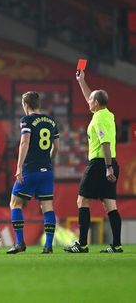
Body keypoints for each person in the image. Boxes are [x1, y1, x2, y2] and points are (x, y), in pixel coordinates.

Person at [64, 70, 122, 253]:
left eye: (91, 101)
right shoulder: (107, 114)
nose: (88, 101)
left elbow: (104, 142)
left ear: (96, 103)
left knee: (82, 201)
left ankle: (82, 244)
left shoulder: (97, 119)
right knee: (110, 205)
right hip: (111, 161)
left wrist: (107, 167)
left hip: (100, 164)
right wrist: (82, 81)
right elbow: (92, 97)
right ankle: (116, 245)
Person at [7, 91, 59, 254]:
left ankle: (19, 243)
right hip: (47, 171)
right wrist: (48, 160)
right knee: (47, 207)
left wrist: (19, 167)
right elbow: (56, 147)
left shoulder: (26, 120)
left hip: (30, 169)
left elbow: (24, 142)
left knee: (15, 203)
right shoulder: (51, 121)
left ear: (26, 105)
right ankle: (48, 246)